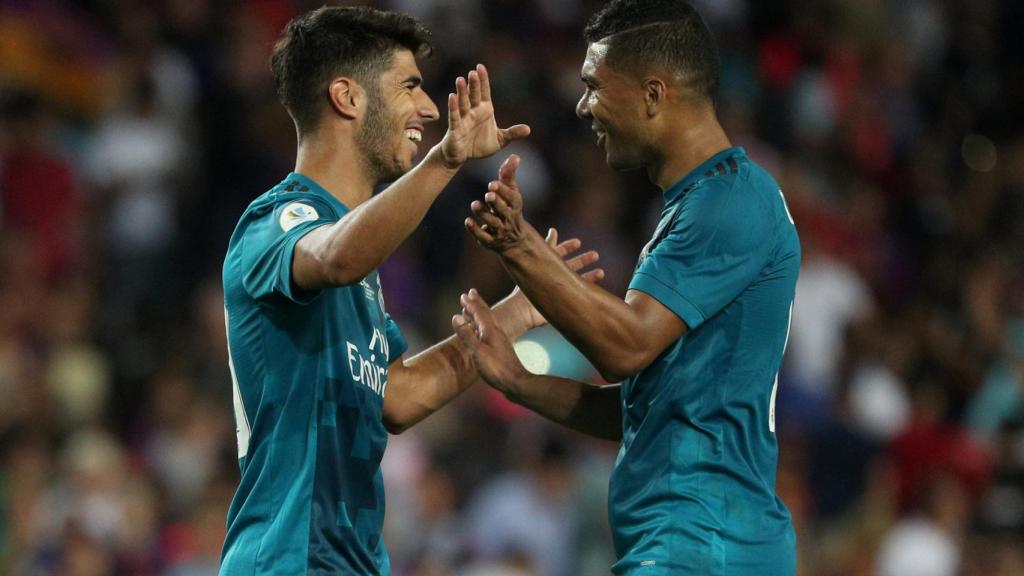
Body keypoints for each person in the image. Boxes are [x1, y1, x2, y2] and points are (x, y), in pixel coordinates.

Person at [219, 7, 601, 575]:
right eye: (409, 86)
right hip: (287, 560)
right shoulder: (276, 222)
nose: (427, 108)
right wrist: (444, 158)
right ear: (347, 97)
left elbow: (396, 397)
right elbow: (337, 255)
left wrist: (515, 314)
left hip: (353, 562)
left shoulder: (357, 260)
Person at [454, 1, 800, 574]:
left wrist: (519, 244)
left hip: (701, 544)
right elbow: (647, 409)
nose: (583, 105)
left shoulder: (727, 203)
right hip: (697, 542)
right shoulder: (702, 203)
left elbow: (625, 346)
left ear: (653, 94)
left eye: (593, 86)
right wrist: (519, 382)